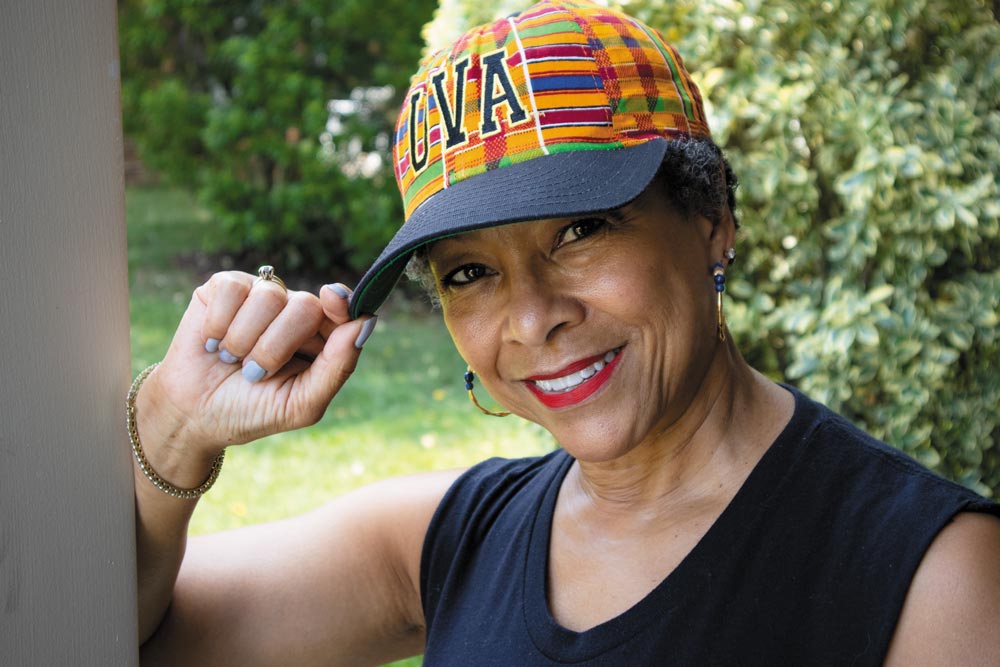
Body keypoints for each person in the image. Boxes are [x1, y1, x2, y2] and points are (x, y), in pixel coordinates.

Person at [133, 1, 1000, 664]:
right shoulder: (447, 541)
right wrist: (173, 428)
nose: (531, 315)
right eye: (469, 272)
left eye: (581, 231)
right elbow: (119, 630)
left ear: (710, 220)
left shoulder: (929, 574)